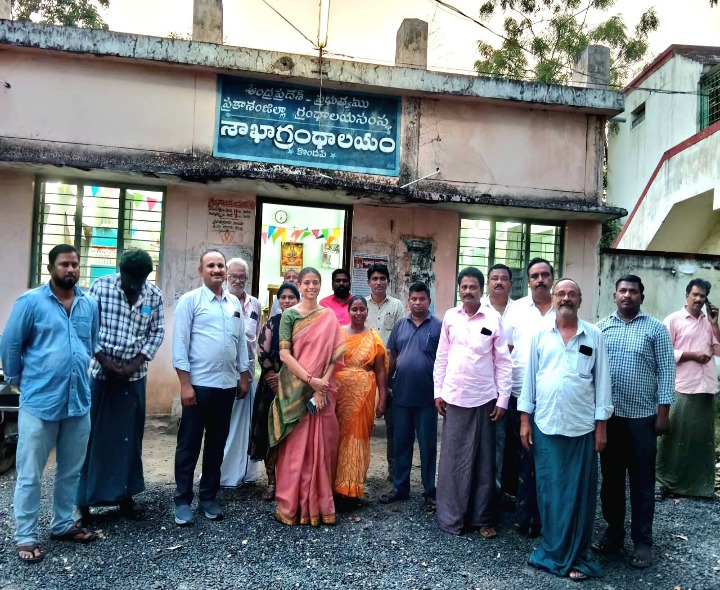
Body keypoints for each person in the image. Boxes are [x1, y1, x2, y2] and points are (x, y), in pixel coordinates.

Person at [0, 244, 99, 564]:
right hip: (40, 402)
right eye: (64, 264)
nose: (70, 269)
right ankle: (25, 535)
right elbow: (10, 344)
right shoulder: (30, 302)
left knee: (70, 470)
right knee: (30, 473)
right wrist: (17, 380)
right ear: (50, 267)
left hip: (78, 402)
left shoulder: (89, 304)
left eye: (75, 264)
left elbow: (90, 343)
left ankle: (62, 524)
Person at [518, 278, 613, 582]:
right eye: (561, 293)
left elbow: (603, 383)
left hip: (582, 428)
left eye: (572, 294)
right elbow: (530, 380)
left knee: (578, 495)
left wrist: (601, 427)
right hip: (546, 425)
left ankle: (577, 555)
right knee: (550, 492)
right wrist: (524, 420)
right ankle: (554, 550)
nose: (566, 298)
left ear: (580, 300)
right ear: (554, 298)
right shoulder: (540, 335)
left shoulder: (594, 335)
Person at [76, 249, 165, 525]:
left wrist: (133, 365)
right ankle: (82, 502)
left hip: (134, 377)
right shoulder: (100, 287)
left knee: (129, 438)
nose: (133, 285)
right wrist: (106, 362)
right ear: (120, 270)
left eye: (139, 280)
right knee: (91, 437)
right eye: (129, 279)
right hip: (101, 375)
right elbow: (87, 327)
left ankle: (125, 497)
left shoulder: (154, 296)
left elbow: (157, 332)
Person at [594, 275, 675, 569]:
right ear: (614, 295)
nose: (627, 295)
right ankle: (614, 532)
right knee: (611, 482)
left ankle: (642, 541)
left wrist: (663, 413)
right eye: (622, 291)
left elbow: (667, 370)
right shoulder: (601, 328)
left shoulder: (656, 329)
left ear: (642, 296)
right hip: (611, 420)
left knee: (642, 483)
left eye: (633, 291)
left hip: (643, 419)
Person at [171, 250, 251, 525]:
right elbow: (180, 345)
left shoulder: (234, 303)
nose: (217, 270)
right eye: (211, 266)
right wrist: (185, 384)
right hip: (198, 386)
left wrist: (243, 376)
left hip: (226, 387)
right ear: (201, 271)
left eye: (220, 266)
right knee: (189, 444)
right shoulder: (190, 301)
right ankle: (183, 500)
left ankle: (208, 497)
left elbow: (241, 343)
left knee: (217, 445)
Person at [433, 267, 512, 539]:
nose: (468, 291)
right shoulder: (450, 317)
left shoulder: (493, 318)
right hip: (455, 398)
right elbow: (442, 356)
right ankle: (451, 517)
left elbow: (503, 362)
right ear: (459, 289)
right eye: (464, 287)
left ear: (481, 290)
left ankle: (482, 518)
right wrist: (438, 392)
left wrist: (503, 399)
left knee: (483, 461)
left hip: (484, 399)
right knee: (454, 460)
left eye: (473, 287)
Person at [268, 267, 346, 526]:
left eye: (316, 283)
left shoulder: (328, 316)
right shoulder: (289, 315)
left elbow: (335, 354)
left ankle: (320, 506)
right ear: (299, 286)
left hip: (323, 391)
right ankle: (292, 505)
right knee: (295, 448)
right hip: (296, 389)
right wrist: (311, 381)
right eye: (307, 283)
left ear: (320, 286)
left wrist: (321, 387)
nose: (311, 287)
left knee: (323, 447)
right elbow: (284, 355)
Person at [501, 257, 555, 536]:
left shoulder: (562, 307)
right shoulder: (517, 310)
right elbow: (506, 350)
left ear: (552, 279)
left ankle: (546, 515)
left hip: (553, 398)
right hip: (519, 393)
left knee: (546, 455)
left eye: (545, 275)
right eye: (535, 276)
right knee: (521, 455)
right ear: (529, 280)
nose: (540, 280)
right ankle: (523, 515)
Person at [656, 278, 720, 500]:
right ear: (687, 295)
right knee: (673, 437)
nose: (699, 299)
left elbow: (719, 351)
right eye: (695, 295)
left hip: (705, 387)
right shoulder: (673, 320)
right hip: (682, 386)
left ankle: (698, 486)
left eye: (703, 296)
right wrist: (692, 355)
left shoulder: (708, 321)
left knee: (700, 439)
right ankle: (663, 482)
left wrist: (714, 324)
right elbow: (663, 351)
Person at [381, 282, 442, 512]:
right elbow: (393, 356)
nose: (417, 303)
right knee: (402, 443)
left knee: (427, 446)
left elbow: (444, 359)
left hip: (428, 396)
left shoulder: (438, 326)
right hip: (402, 395)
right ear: (408, 301)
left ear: (429, 301)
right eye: (414, 299)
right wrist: (387, 385)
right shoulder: (400, 325)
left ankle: (430, 491)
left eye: (422, 299)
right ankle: (400, 488)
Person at [333, 295, 388, 504]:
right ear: (348, 312)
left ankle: (351, 490)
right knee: (337, 437)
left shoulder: (373, 337)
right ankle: (334, 487)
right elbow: (330, 363)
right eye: (354, 309)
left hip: (364, 394)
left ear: (367, 311)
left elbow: (380, 370)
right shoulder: (338, 334)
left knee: (357, 437)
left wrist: (383, 397)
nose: (358, 313)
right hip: (339, 393)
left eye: (362, 309)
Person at [248, 281, 300, 501]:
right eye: (283, 297)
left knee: (293, 433)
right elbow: (262, 350)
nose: (287, 301)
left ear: (298, 300)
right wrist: (272, 376)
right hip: (271, 386)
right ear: (278, 301)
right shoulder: (273, 322)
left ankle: (291, 482)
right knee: (271, 432)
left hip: (297, 387)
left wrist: (290, 377)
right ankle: (271, 481)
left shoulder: (303, 324)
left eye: (291, 297)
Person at [221, 257, 263, 488]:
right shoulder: (222, 302)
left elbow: (253, 339)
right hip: (226, 372)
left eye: (242, 277)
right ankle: (223, 474)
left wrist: (249, 373)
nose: (237, 281)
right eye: (233, 276)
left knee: (246, 425)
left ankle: (245, 473)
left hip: (248, 372)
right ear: (226, 277)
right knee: (225, 425)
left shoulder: (255, 304)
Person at [365, 263, 405, 482]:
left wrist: (390, 376)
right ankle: (357, 470)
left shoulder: (397, 305)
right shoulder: (362, 305)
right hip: (364, 372)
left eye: (382, 278)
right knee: (360, 424)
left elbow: (398, 342)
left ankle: (394, 471)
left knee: (393, 425)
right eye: (375, 279)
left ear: (388, 281)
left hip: (390, 372)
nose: (378, 282)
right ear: (369, 282)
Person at [480, 263, 514, 505]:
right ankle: (485, 495)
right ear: (488, 283)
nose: (499, 282)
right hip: (484, 390)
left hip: (516, 388)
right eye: (494, 278)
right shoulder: (478, 310)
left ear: (511, 283)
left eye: (503, 278)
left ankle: (503, 492)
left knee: (509, 445)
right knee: (487, 444)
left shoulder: (521, 311)